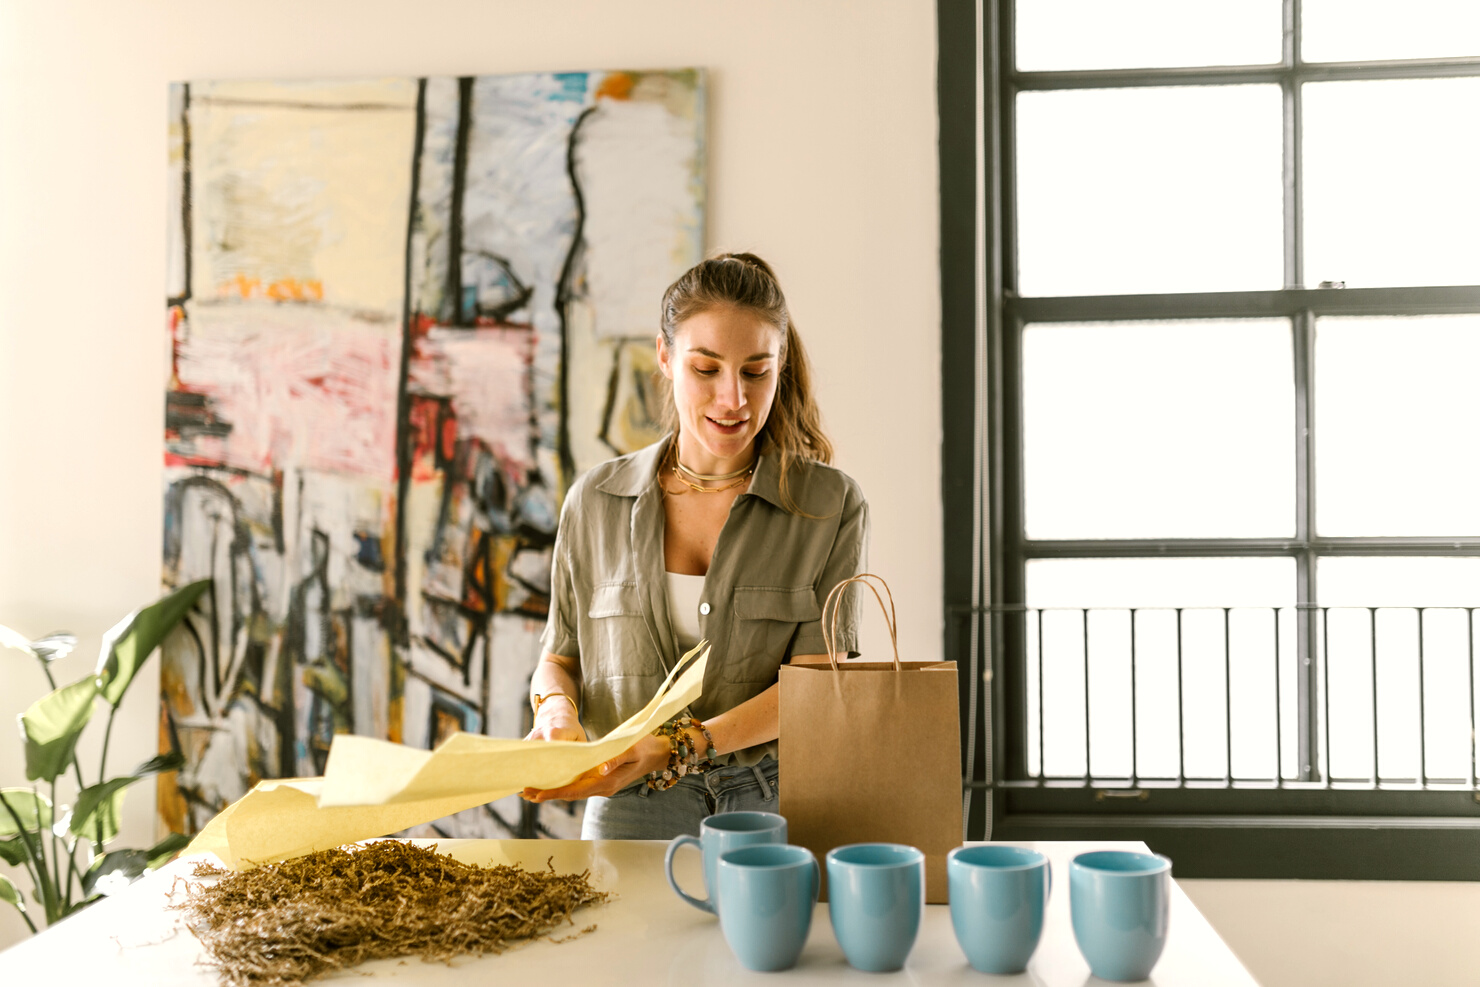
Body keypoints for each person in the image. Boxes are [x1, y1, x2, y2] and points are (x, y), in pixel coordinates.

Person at [520, 252, 869, 839]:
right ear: (665, 356)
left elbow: (816, 689)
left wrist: (681, 745)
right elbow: (559, 659)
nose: (733, 399)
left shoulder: (829, 506)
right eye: (706, 369)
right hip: (626, 800)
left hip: (775, 801)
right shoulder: (595, 501)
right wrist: (556, 711)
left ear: (780, 367)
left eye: (756, 372)